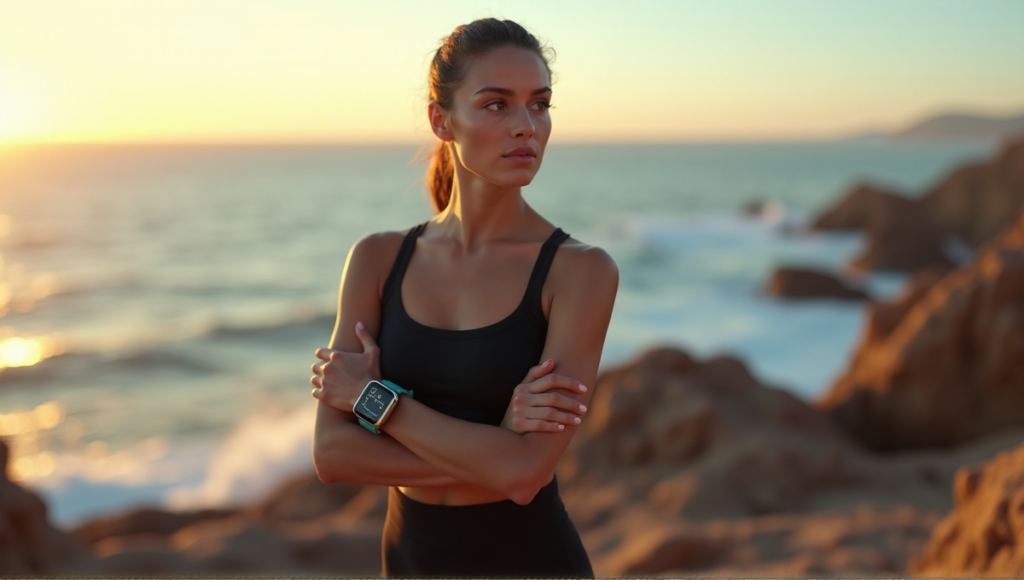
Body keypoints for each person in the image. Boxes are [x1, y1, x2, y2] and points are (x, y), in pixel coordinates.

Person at [308, 18, 618, 578]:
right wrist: (496, 449)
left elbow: (525, 476)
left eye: (540, 104)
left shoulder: (580, 271)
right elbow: (331, 455)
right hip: (408, 560)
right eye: (497, 104)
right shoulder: (377, 260)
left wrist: (375, 401)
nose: (526, 126)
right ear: (441, 120)